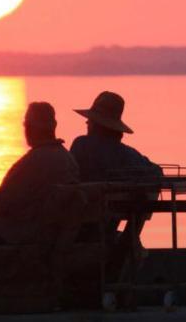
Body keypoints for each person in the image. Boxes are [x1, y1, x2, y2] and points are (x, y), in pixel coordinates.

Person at [69, 91, 162, 283]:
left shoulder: (81, 146)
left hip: (78, 230)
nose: (86, 124)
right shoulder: (128, 155)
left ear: (94, 124)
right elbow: (157, 173)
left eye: (89, 121)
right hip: (109, 228)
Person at [0, 102, 79, 244]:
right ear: (54, 126)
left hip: (25, 238)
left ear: (29, 128)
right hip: (54, 238)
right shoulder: (68, 159)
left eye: (26, 124)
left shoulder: (31, 162)